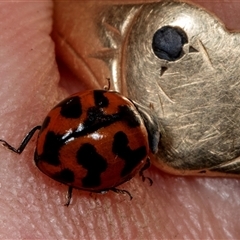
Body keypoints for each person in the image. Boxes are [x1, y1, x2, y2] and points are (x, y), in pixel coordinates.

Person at [0, 0, 239, 238]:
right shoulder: (135, 145)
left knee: (36, 128)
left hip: (53, 144)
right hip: (58, 154)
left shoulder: (119, 106)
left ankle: (17, 149)